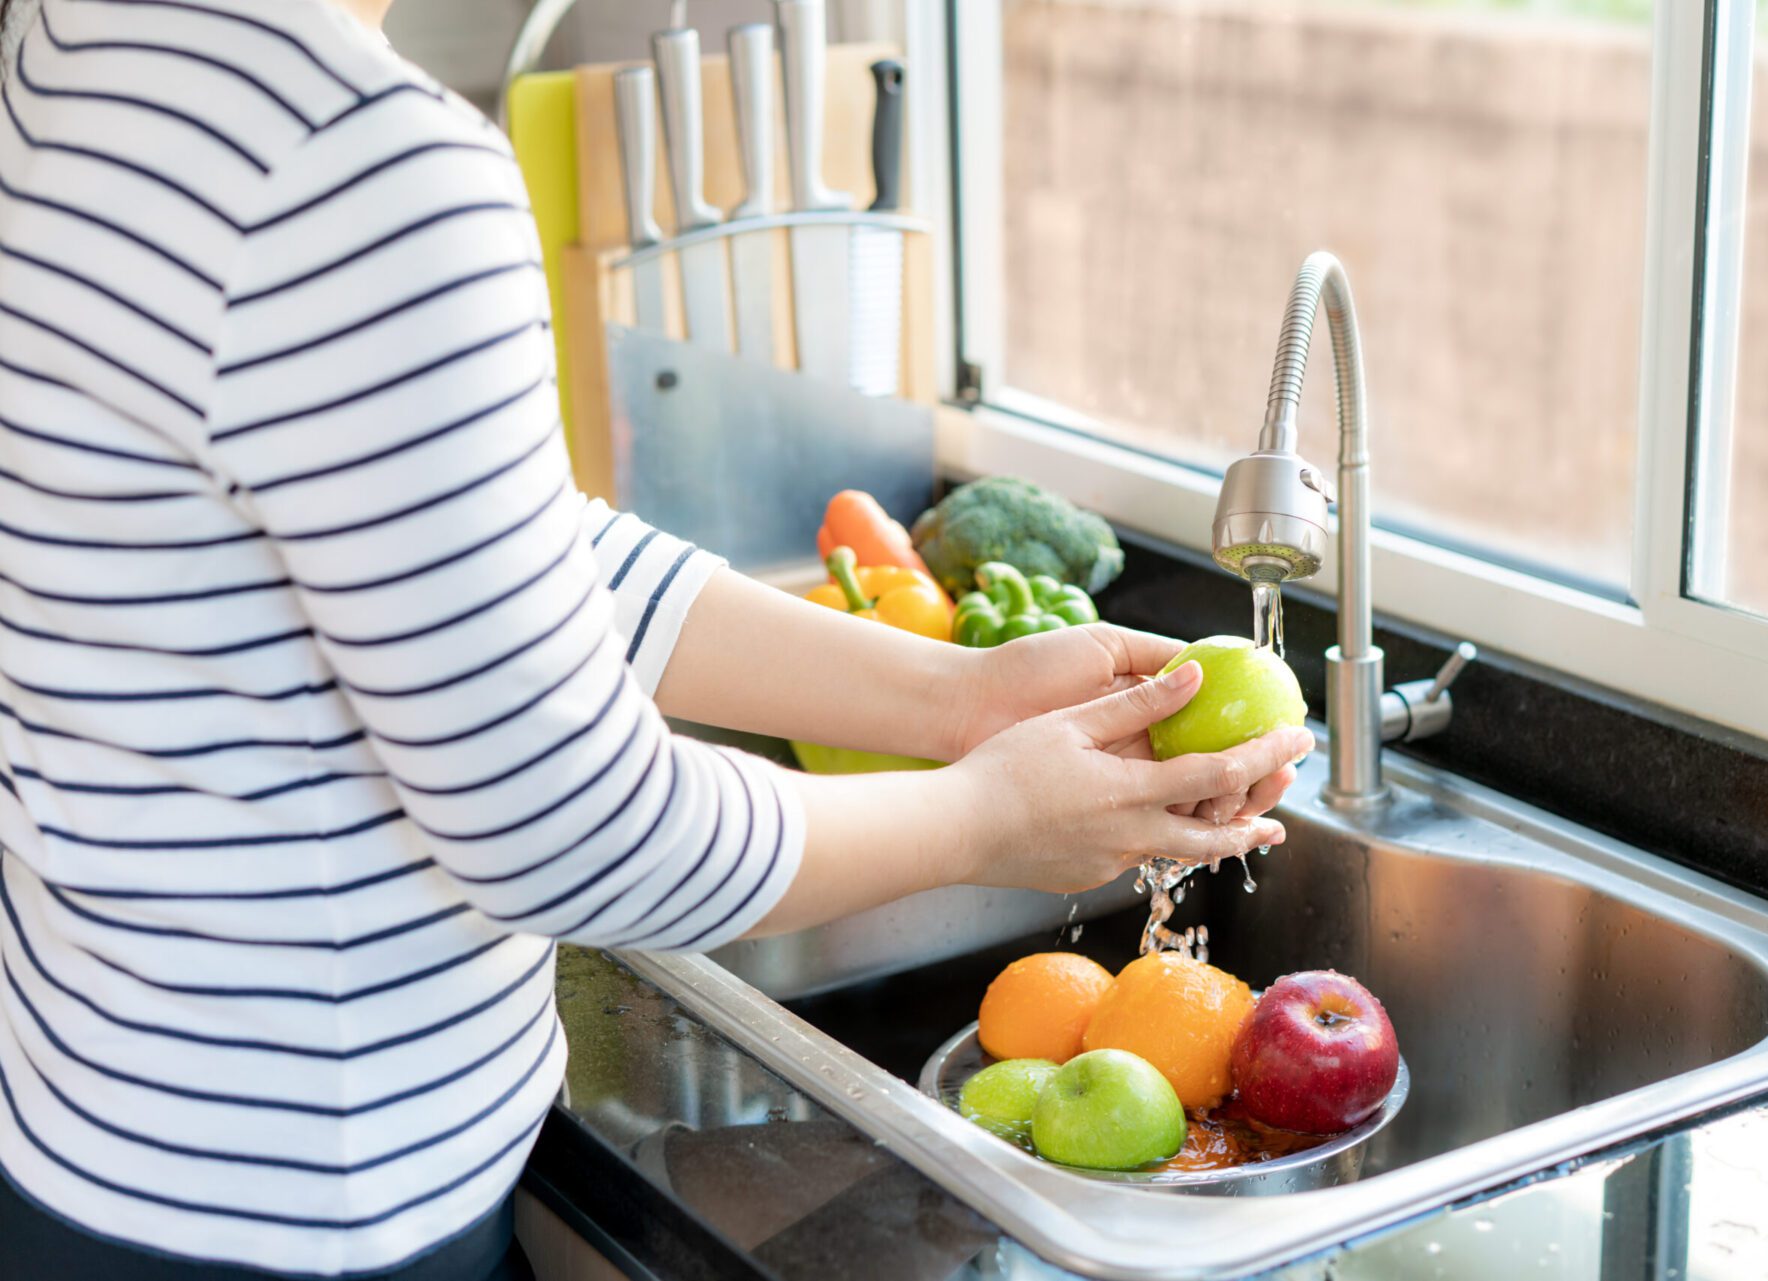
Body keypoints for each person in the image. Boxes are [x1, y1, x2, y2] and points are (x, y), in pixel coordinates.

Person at [0, 0, 1310, 1276]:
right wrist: (981, 817)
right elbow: (566, 824)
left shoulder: (87, 49)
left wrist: (956, 695)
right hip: (317, 1202)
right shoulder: (352, 161)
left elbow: (491, 551)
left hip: (103, 1134)